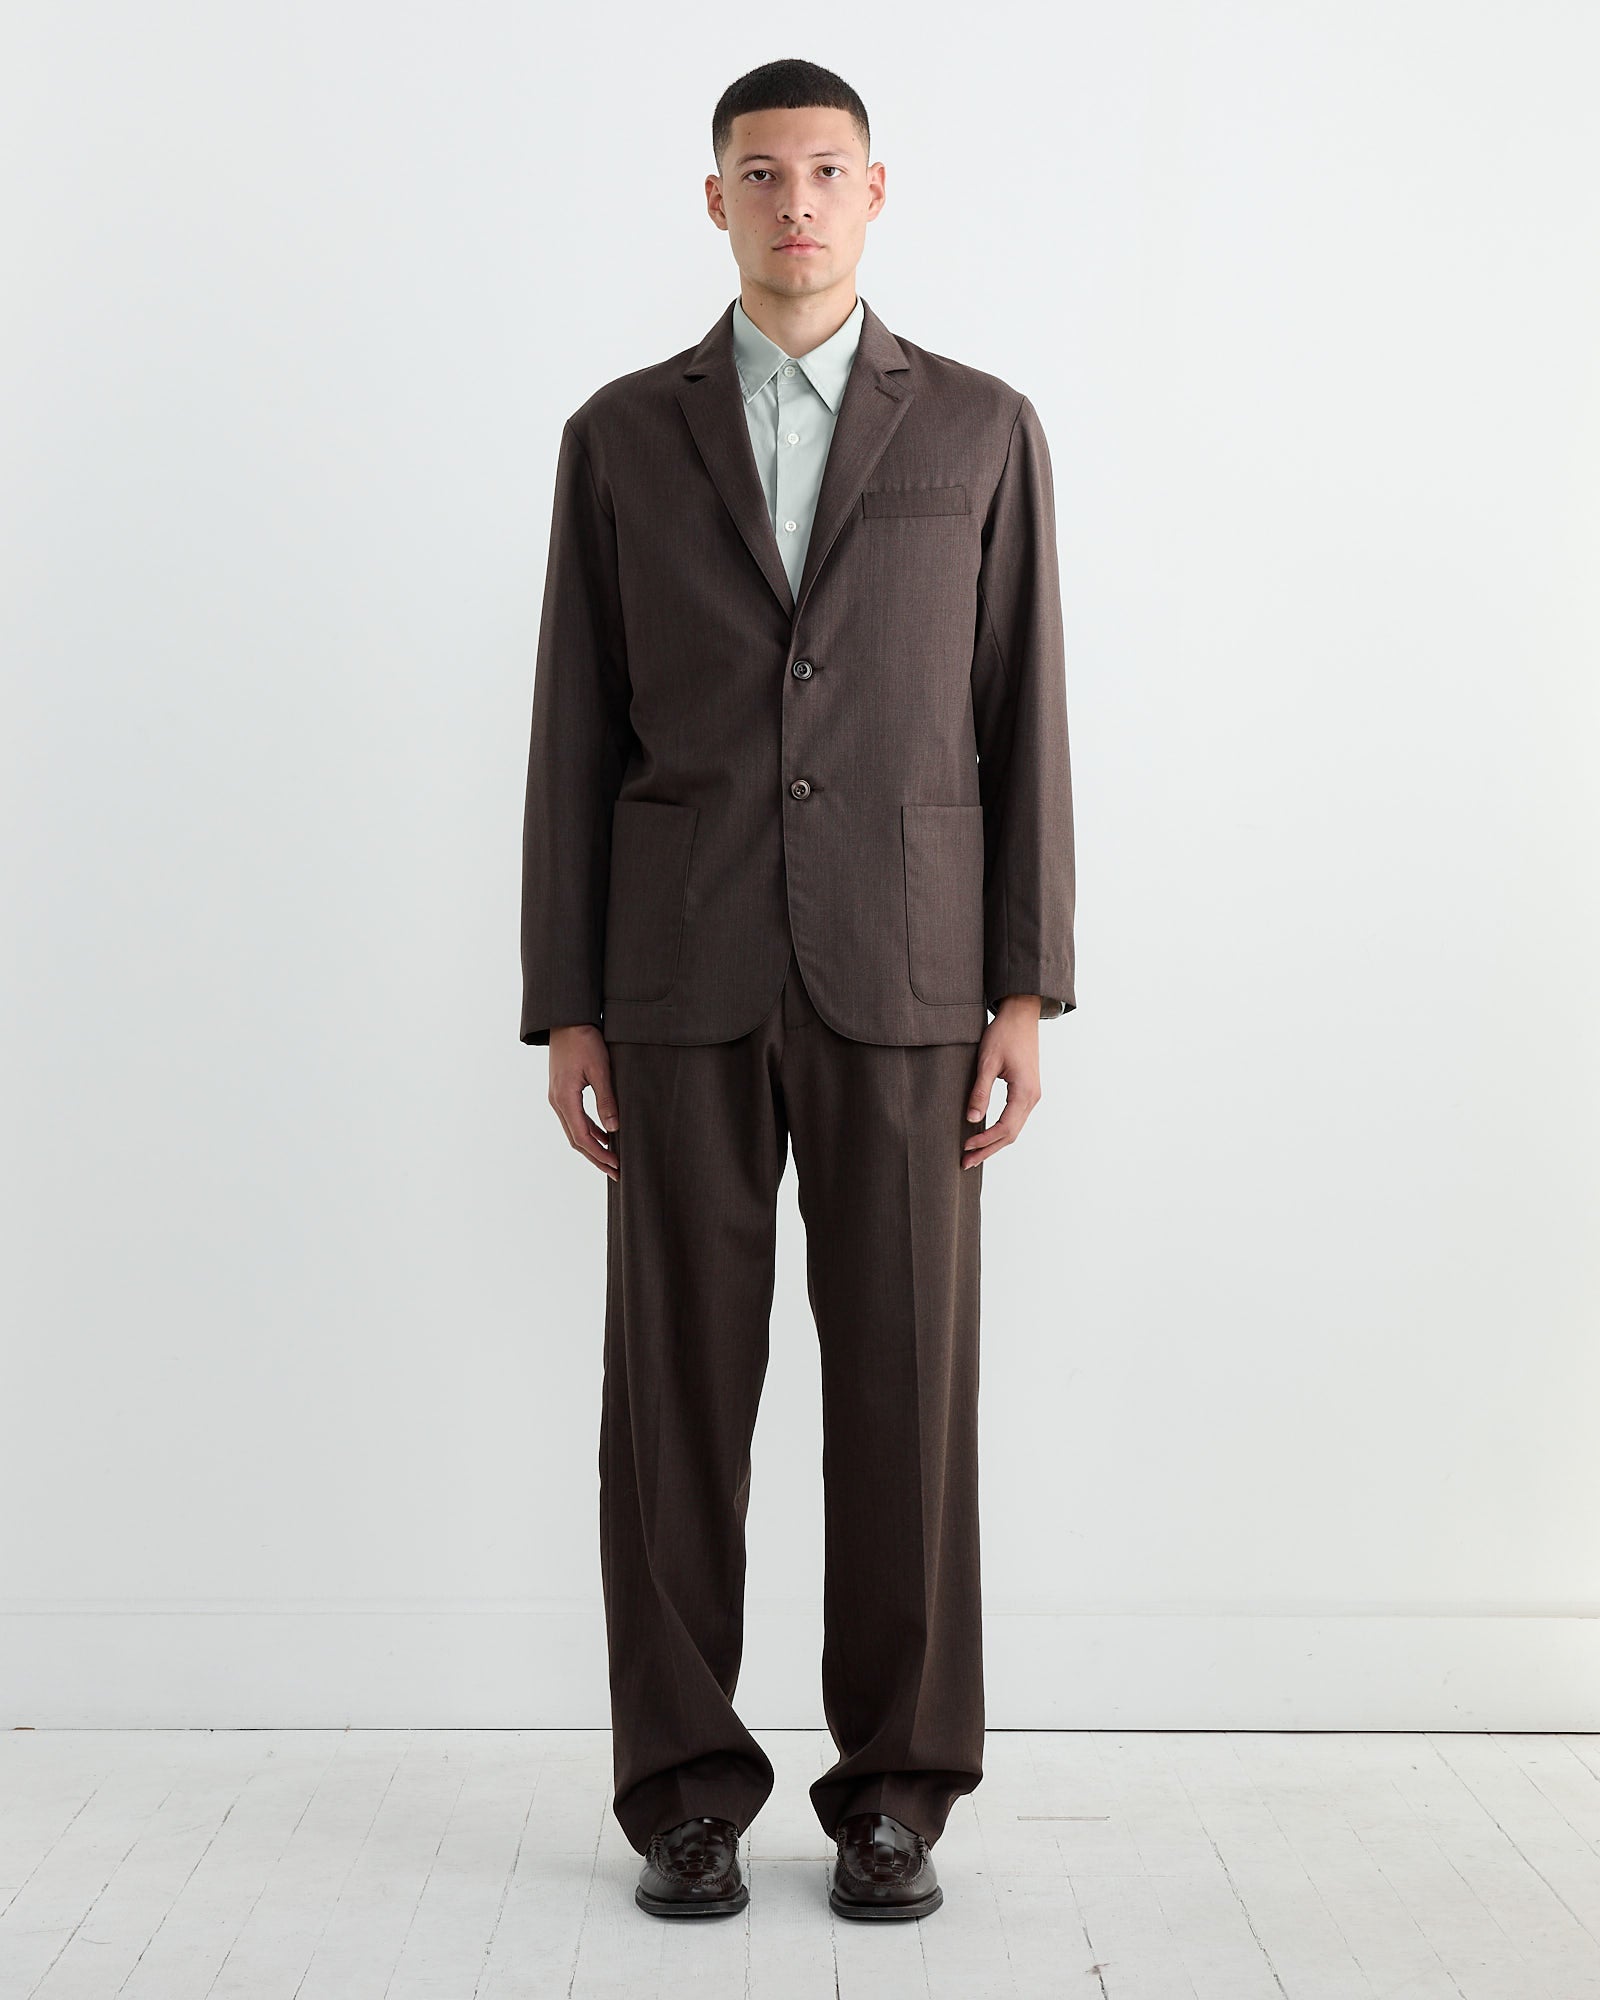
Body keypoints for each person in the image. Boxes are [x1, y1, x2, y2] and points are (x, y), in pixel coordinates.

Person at [519, 57, 1075, 1924]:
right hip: (676, 972)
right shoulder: (620, 435)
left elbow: (1023, 715)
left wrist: (1026, 985)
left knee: (907, 1397)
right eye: (761, 175)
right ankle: (683, 1791)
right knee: (676, 1396)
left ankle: (895, 1794)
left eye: (827, 170)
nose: (797, 203)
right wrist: (566, 1000)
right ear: (716, 201)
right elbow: (574, 727)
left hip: (908, 973)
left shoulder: (981, 428)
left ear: (876, 190)